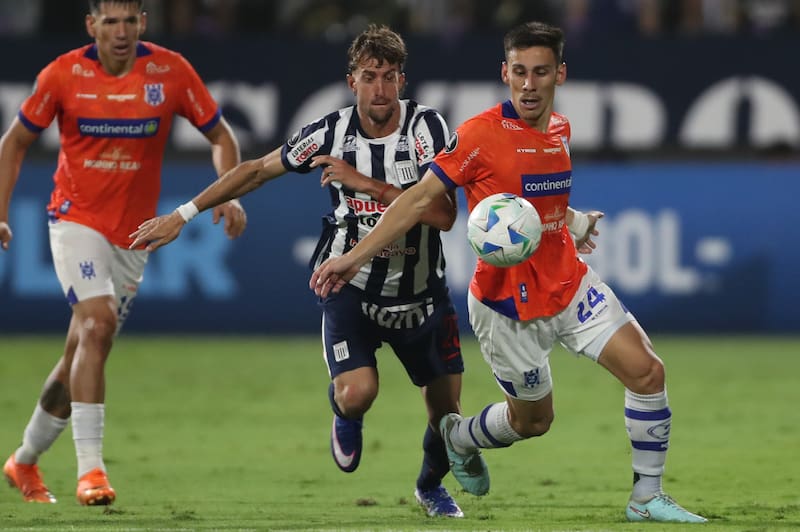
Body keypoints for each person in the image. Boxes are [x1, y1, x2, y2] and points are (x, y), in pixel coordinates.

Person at [309, 21, 708, 524]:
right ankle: (457, 436)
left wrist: (577, 222)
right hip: (506, 307)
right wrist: (352, 256)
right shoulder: (477, 135)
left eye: (541, 72)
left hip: (568, 283)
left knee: (649, 372)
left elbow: (541, 202)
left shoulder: (561, 128)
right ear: (505, 73)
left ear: (559, 74)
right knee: (533, 421)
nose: (529, 83)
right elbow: (417, 202)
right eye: (519, 71)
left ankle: (645, 498)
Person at [128, 25, 476, 518]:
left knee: (446, 415)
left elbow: (442, 216)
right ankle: (344, 412)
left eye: (390, 77)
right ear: (351, 80)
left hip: (421, 294)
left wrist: (363, 183)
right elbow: (254, 170)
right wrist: (181, 215)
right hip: (348, 285)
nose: (380, 89)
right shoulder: (327, 133)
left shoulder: (430, 130)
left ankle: (429, 488)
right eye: (369, 76)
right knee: (358, 394)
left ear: (403, 80)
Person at [0, 0, 246, 506]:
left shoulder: (170, 71)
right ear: (91, 26)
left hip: (134, 236)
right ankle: (91, 472)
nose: (120, 31)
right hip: (75, 220)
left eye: (130, 20)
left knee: (79, 355)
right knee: (98, 323)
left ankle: (23, 461)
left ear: (143, 25)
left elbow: (220, 134)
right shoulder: (62, 75)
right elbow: (15, 142)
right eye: (109, 21)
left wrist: (230, 191)